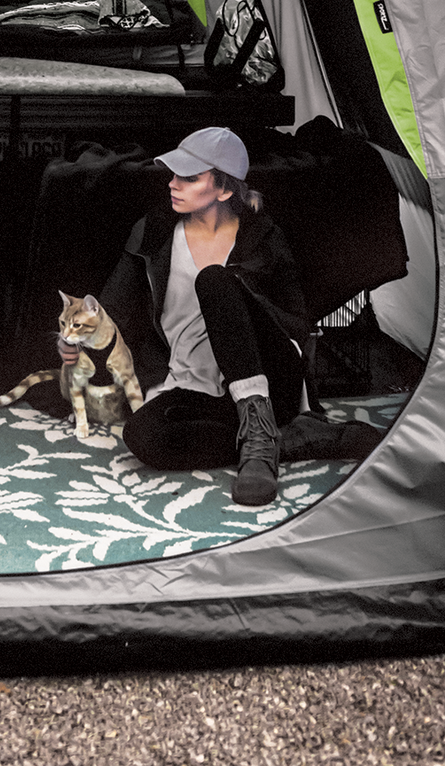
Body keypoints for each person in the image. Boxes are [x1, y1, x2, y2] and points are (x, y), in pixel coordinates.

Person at [76, 126, 311, 506]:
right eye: (173, 174)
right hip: (194, 385)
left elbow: (298, 325)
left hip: (269, 379)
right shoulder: (153, 231)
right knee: (142, 436)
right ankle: (289, 439)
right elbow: (111, 310)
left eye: (188, 177)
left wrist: (241, 306)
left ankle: (260, 435)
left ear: (224, 189)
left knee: (214, 281)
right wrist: (77, 340)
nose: (172, 184)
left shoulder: (262, 236)